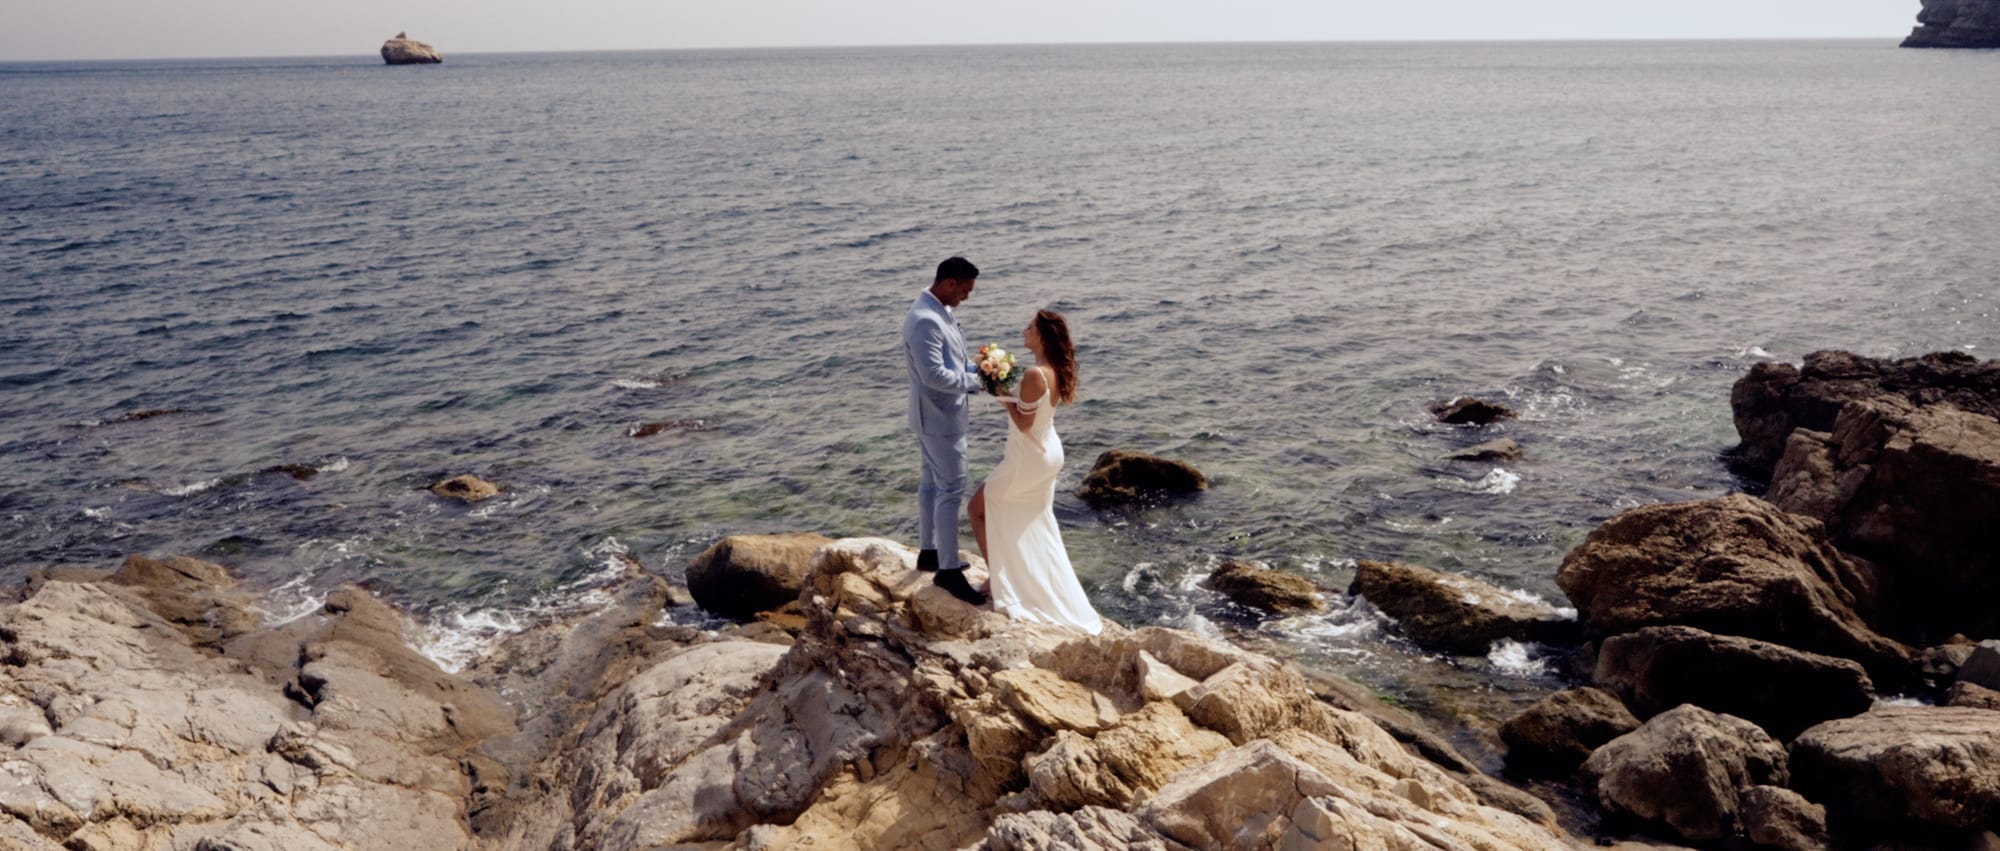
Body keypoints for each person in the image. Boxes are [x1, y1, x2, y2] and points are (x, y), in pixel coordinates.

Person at [968, 309, 1103, 634]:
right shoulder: (1054, 370)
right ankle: (1021, 581)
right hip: (1047, 453)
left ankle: (1000, 581)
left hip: (1027, 458)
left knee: (977, 510)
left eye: (1030, 327)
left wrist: (999, 392)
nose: (1024, 330)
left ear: (1041, 335)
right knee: (1036, 522)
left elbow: (1024, 423)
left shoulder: (1034, 374)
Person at [903, 256, 989, 605]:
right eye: (965, 290)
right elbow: (933, 375)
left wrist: (982, 368)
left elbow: (952, 361)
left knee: (930, 483)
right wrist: (977, 382)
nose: (966, 297)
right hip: (939, 419)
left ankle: (929, 552)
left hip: (932, 417)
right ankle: (949, 571)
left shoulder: (938, 310)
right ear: (949, 283)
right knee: (951, 490)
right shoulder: (925, 320)